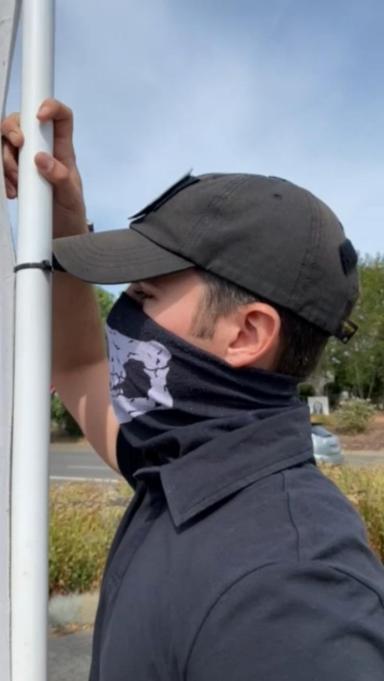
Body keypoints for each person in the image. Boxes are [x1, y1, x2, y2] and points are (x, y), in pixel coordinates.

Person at [2, 99, 384, 681]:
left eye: (145, 295)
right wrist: (62, 210)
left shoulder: (291, 592)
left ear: (248, 332)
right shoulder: (181, 468)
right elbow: (80, 366)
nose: (123, 315)